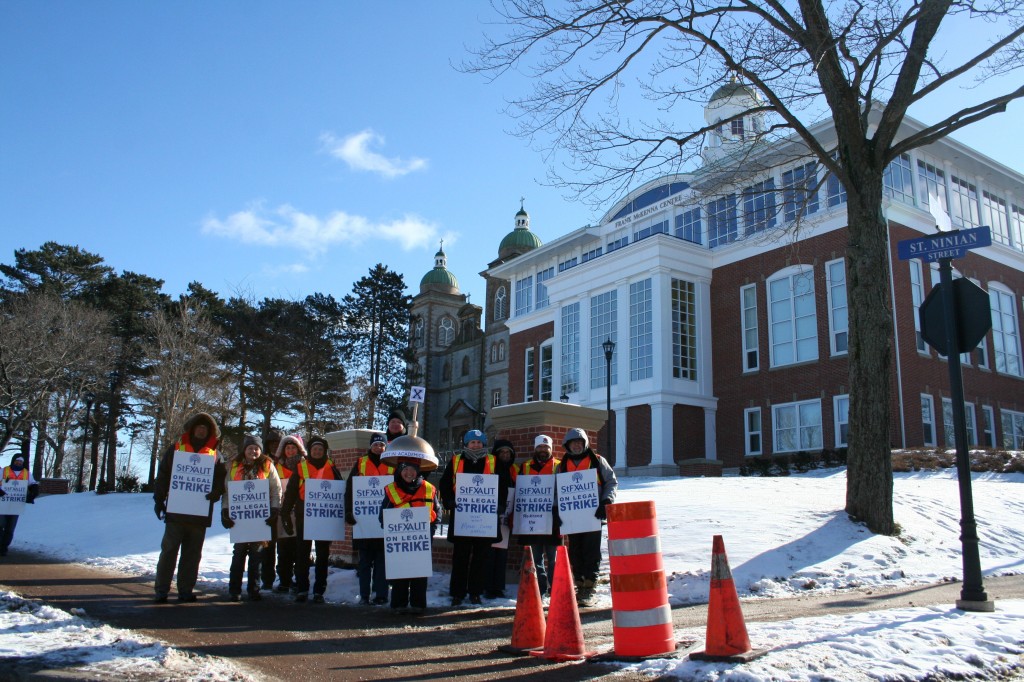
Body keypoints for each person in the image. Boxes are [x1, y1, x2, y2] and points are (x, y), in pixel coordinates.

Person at [152, 413, 226, 603]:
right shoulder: (176, 449)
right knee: (168, 552)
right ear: (192, 429)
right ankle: (161, 590)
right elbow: (163, 475)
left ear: (210, 432)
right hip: (176, 513)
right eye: (198, 427)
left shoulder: (216, 455)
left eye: (205, 428)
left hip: (199, 515)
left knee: (192, 556)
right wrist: (159, 500)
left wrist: (216, 493)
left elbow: (221, 480)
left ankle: (185, 590)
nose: (201, 430)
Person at [439, 429, 509, 606]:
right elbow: (445, 484)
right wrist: (449, 501)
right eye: (472, 442)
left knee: (481, 558)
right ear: (466, 444)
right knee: (460, 558)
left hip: (485, 519)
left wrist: (500, 504)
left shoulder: (493, 461)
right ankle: (457, 593)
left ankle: (475, 592)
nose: (476, 445)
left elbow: (503, 485)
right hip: (462, 517)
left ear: (484, 444)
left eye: (479, 443)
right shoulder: (456, 461)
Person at [554, 427, 618, 607]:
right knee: (575, 551)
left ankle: (590, 585)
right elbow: (557, 490)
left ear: (585, 444)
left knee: (591, 551)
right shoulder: (562, 465)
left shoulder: (597, 461)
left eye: (580, 442)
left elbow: (611, 482)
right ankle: (579, 584)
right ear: (567, 445)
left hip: (593, 515)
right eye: (573, 442)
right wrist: (556, 510)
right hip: (572, 517)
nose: (576, 445)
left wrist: (606, 502)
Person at [221, 435, 281, 602]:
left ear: (260, 450)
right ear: (244, 450)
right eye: (250, 448)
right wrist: (225, 511)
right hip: (239, 519)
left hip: (260, 518)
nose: (253, 451)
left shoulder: (268, 465)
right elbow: (227, 491)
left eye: (256, 448)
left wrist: (275, 509)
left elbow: (276, 490)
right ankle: (234, 590)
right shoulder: (234, 466)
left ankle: (254, 589)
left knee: (257, 556)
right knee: (239, 554)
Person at [281, 435, 340, 603]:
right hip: (303, 516)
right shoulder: (301, 468)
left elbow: (339, 491)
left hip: (325, 519)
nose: (317, 451)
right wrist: (285, 513)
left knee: (322, 555)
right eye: (314, 449)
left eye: (320, 449)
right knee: (302, 554)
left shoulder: (332, 467)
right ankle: (302, 589)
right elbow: (291, 491)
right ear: (310, 451)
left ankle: (319, 591)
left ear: (324, 452)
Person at [379, 458, 439, 615]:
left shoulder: (429, 488)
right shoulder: (391, 489)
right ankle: (399, 603)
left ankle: (418, 604)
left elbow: (436, 513)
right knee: (400, 572)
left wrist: (430, 531)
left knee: (420, 573)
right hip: (400, 541)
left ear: (418, 471)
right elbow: (383, 516)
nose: (408, 473)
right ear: (399, 471)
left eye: (412, 469)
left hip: (422, 539)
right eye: (405, 469)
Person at [345, 432, 393, 605]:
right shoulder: (360, 463)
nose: (379, 448)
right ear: (370, 447)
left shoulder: (391, 463)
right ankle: (364, 594)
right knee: (365, 562)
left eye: (382, 445)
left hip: (383, 521)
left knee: (382, 562)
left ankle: (381, 594)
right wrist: (349, 511)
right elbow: (350, 488)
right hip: (364, 522)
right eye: (376, 445)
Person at [514, 434, 561, 596]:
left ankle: (554, 588)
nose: (543, 450)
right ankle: (540, 588)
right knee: (535, 557)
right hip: (532, 518)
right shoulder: (525, 466)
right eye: (540, 447)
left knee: (553, 557)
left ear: (551, 449)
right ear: (535, 448)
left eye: (546, 447)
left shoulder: (559, 466)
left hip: (552, 519)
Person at [483, 439, 517, 599]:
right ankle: (488, 586)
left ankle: (498, 586)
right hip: (489, 516)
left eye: (508, 452)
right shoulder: (490, 468)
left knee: (502, 553)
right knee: (489, 553)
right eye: (502, 452)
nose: (505, 455)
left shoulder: (514, 470)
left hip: (506, 517)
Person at [269, 432, 300, 593]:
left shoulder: (305, 466)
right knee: (283, 548)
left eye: (293, 447)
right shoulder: (276, 467)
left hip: (301, 514)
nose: (290, 451)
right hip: (283, 513)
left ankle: (298, 579)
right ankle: (284, 580)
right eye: (287, 448)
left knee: (299, 549)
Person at [259, 428, 284, 591]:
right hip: (263, 508)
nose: (275, 446)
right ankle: (267, 579)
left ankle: (284, 579)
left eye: (278, 443)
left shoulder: (288, 459)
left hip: (284, 510)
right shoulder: (262, 462)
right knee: (266, 546)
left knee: (284, 546)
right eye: (272, 443)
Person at [0, 454, 39, 557]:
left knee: (10, 528)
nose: (19, 463)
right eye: (17, 461)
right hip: (2, 504)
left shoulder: (26, 473)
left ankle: (4, 548)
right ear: (13, 461)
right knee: (0, 525)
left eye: (21, 461)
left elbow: (32, 484)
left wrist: (34, 491)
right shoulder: (4, 471)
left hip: (16, 505)